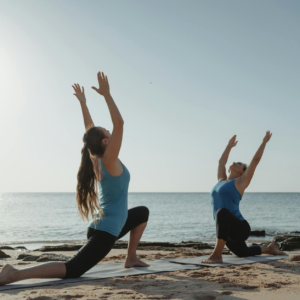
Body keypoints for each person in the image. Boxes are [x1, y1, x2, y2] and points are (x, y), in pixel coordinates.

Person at [0, 71, 149, 285]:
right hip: (105, 232)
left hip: (102, 224)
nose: (109, 129)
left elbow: (90, 133)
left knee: (142, 213)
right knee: (73, 269)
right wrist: (107, 95)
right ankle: (13, 273)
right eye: (106, 131)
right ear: (106, 142)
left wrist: (84, 104)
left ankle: (131, 257)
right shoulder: (108, 160)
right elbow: (120, 123)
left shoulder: (96, 158)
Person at [202, 132, 285, 264]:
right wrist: (229, 146)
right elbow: (222, 162)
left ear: (242, 172)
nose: (234, 162)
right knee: (242, 253)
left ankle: (217, 255)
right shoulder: (221, 180)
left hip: (240, 228)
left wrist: (263, 142)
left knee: (222, 212)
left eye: (239, 163)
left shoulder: (241, 182)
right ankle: (269, 249)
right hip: (227, 230)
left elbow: (255, 161)